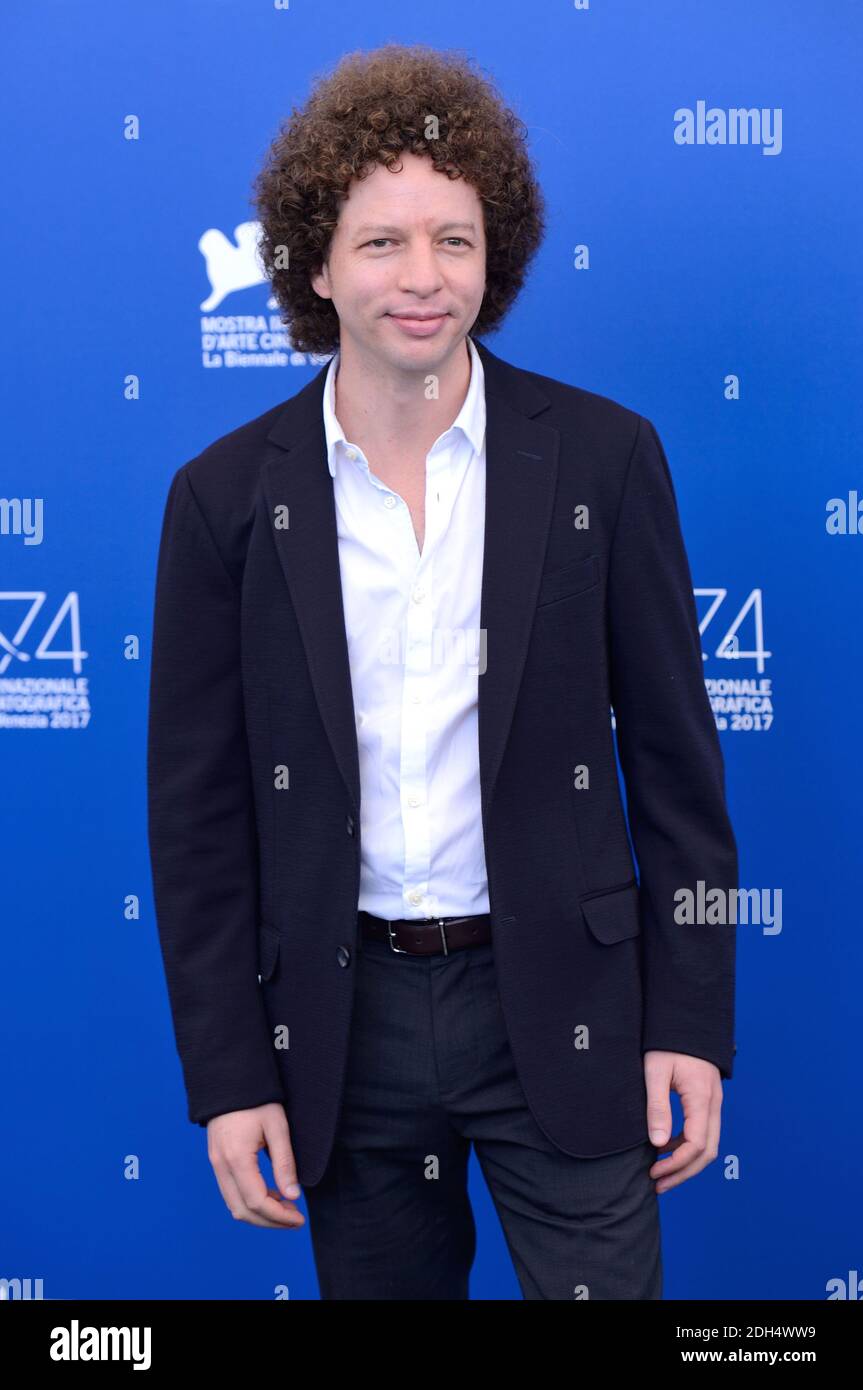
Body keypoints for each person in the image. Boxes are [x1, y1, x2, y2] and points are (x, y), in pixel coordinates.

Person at [147, 43, 737, 1300]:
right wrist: (231, 1073)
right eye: (380, 243)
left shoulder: (603, 460)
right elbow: (196, 826)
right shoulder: (221, 501)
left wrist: (687, 1021)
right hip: (342, 1029)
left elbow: (681, 776)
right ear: (314, 262)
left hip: (566, 1011)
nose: (423, 279)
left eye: (454, 241)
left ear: (496, 256)